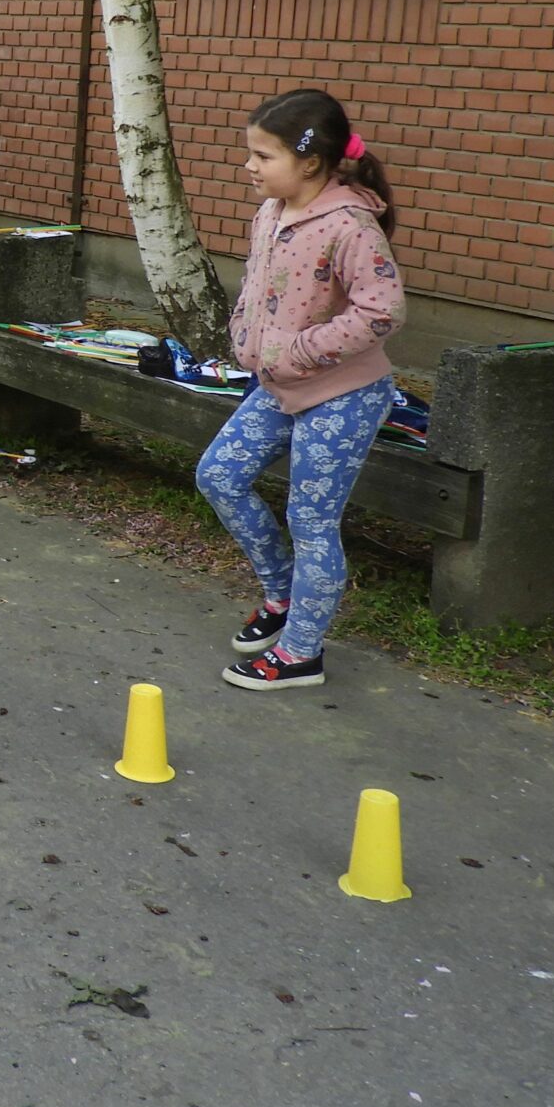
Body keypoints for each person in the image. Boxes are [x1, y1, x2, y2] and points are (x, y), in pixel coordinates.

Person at [196, 89, 405, 693]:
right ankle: (283, 594)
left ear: (310, 162)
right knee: (219, 475)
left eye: (263, 156)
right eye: (250, 154)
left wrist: (300, 351)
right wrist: (244, 332)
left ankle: (301, 655)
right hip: (278, 384)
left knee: (312, 519)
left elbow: (384, 311)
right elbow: (256, 286)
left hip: (343, 395)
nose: (249, 166)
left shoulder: (350, 225)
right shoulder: (272, 211)